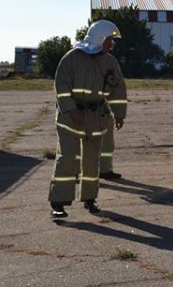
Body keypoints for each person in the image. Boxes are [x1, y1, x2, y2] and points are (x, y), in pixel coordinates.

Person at [49, 20, 128, 218]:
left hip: (96, 118)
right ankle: (58, 202)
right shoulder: (72, 58)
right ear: (100, 39)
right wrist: (71, 110)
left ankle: (90, 199)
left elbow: (118, 88)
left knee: (92, 161)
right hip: (70, 119)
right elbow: (61, 86)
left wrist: (119, 113)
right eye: (110, 40)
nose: (112, 44)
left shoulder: (110, 61)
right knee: (67, 159)